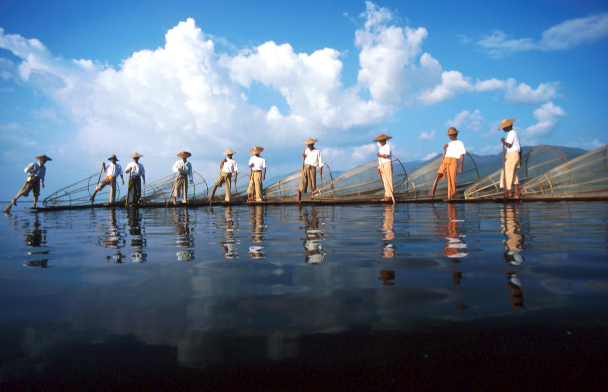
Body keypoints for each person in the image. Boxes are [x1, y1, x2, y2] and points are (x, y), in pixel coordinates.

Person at [429, 127, 465, 199]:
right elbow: (446, 152)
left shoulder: (460, 143)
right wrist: (444, 148)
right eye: (449, 135)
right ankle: (433, 190)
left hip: (453, 161)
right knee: (439, 173)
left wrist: (461, 165)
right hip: (446, 160)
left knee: (452, 179)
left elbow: (462, 154)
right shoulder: (449, 144)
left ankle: (451, 196)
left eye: (450, 135)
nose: (449, 137)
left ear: (454, 135)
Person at [498, 119, 521, 199]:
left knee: (506, 172)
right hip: (516, 154)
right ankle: (516, 193)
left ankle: (509, 192)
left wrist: (503, 141)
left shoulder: (511, 133)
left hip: (512, 154)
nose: (503, 129)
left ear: (507, 127)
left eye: (504, 127)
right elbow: (519, 147)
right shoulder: (515, 133)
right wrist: (519, 159)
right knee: (514, 174)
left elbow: (508, 145)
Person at [374, 133, 394, 202]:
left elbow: (386, 156)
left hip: (387, 163)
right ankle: (387, 194)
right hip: (382, 165)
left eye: (381, 141)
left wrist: (380, 154)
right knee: (385, 181)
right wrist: (378, 169)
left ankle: (390, 196)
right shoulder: (381, 149)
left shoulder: (387, 147)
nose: (380, 142)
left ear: (384, 140)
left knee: (388, 179)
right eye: (380, 141)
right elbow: (380, 160)